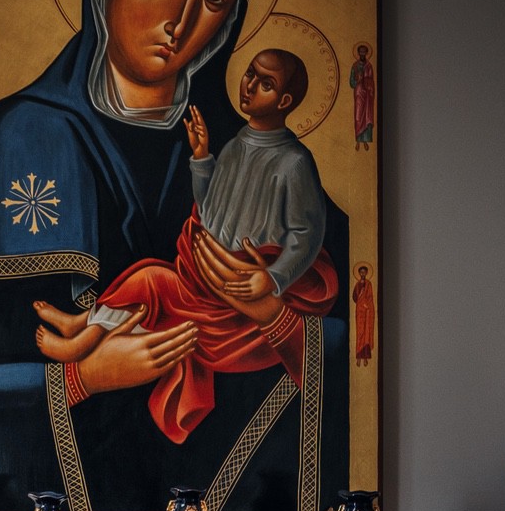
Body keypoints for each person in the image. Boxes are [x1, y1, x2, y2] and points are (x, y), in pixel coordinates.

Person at [0, 0, 349, 511]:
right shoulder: (24, 135)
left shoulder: (243, 145)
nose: (183, 19)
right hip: (80, 481)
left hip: (229, 480)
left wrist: (273, 315)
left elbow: (346, 331)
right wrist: (84, 378)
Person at [30, 49, 338, 442]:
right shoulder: (236, 146)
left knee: (153, 297)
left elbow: (306, 236)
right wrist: (202, 158)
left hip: (238, 304)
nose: (248, 86)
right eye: (249, 74)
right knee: (148, 278)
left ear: (285, 102)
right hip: (204, 282)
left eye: (265, 83)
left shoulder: (294, 162)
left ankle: (81, 341)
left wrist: (273, 280)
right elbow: (211, 212)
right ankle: (82, 331)